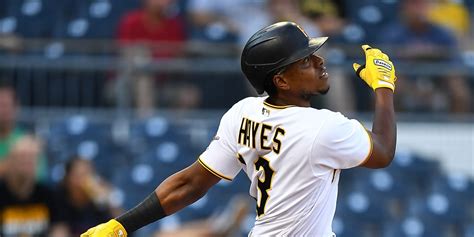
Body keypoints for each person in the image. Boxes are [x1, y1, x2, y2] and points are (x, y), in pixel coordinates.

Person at [82, 21, 397, 237]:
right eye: (304, 60)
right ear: (281, 81)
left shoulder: (242, 113)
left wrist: (122, 225)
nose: (318, 61)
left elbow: (190, 183)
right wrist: (383, 88)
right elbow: (383, 152)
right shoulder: (323, 127)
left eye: (312, 53)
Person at [50, 158, 124, 236]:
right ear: (68, 178)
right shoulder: (57, 199)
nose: (85, 180)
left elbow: (122, 229)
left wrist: (110, 200)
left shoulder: (99, 203)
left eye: (88, 174)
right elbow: (58, 231)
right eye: (79, 175)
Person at [0, 135, 55, 236]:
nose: (27, 162)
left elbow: (59, 230)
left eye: (32, 157)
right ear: (9, 161)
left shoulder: (49, 195)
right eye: (22, 157)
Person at [0, 79, 47, 181]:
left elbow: (39, 178)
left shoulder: (28, 141)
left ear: (17, 107)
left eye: (6, 105)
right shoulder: (28, 144)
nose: (3, 110)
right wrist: (14, 161)